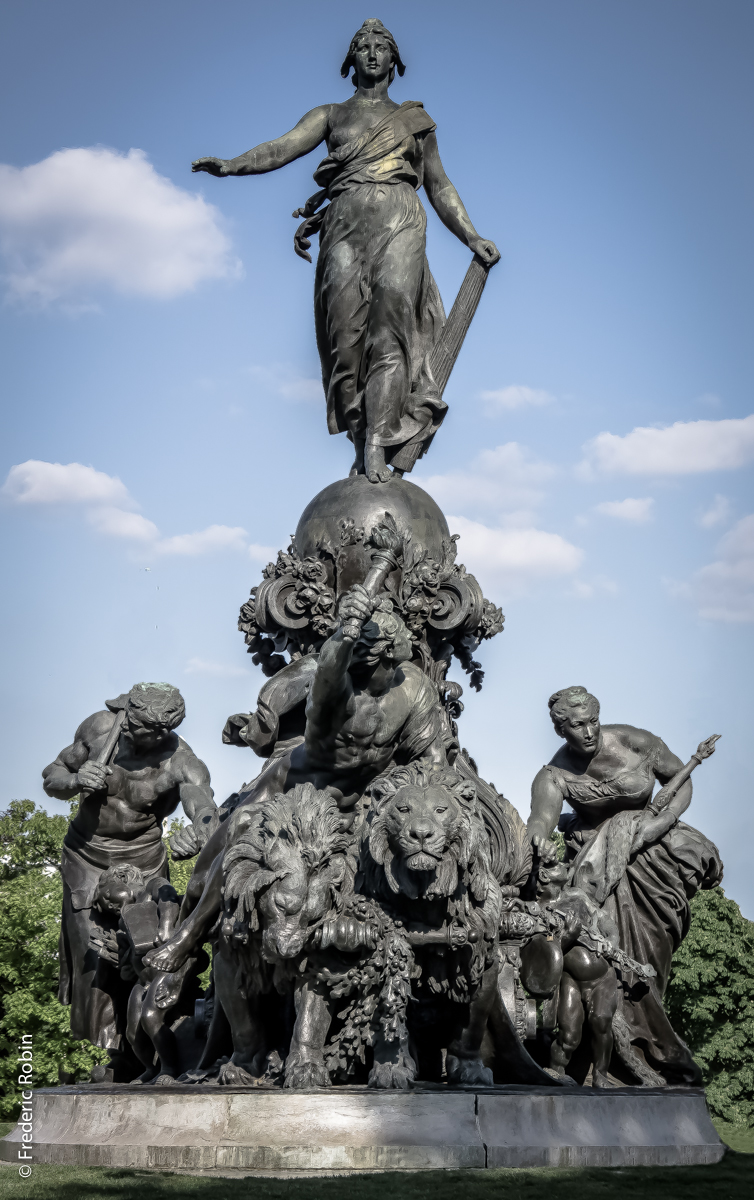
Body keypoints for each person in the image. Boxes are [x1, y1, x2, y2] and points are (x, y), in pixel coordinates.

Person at [191, 18, 499, 483]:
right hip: (344, 225)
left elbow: (438, 184)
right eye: (363, 47)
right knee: (345, 341)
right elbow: (283, 147)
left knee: (391, 328)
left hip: (400, 218)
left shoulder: (416, 122)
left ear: (395, 61)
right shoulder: (331, 115)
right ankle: (361, 440)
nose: (373, 53)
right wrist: (233, 165)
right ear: (350, 60)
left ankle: (377, 442)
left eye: (382, 47)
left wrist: (471, 236)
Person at [144, 586, 446, 976]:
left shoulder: (414, 687)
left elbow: (432, 762)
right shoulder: (335, 693)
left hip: (360, 804)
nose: (356, 665)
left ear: (387, 655)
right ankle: (189, 935)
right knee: (238, 832)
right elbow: (329, 668)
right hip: (293, 792)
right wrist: (343, 633)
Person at [526, 686, 722, 1084]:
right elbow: (540, 819)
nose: (588, 731)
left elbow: (680, 782)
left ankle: (647, 1043)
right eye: (577, 725)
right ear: (562, 730)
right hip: (600, 864)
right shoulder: (554, 774)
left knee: (654, 951)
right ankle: (609, 1058)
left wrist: (657, 825)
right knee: (606, 956)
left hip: (655, 851)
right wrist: (537, 837)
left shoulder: (638, 741)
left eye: (593, 721)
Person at [43, 682, 217, 1072]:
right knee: (95, 958)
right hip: (87, 857)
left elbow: (203, 802)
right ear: (129, 716)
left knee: (145, 952)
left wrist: (203, 829)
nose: (141, 736)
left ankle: (147, 1049)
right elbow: (52, 774)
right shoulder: (100, 728)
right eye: (137, 726)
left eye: (158, 731)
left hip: (144, 863)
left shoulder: (179, 760)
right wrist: (75, 780)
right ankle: (115, 1053)